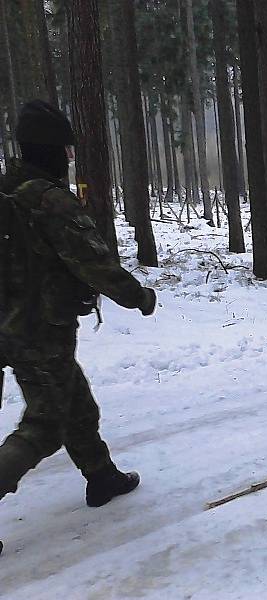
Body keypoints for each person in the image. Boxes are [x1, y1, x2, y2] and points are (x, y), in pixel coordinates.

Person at [0, 100, 157, 513]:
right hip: (39, 329)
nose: (69, 160)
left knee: (75, 401)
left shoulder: (6, 191)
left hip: (9, 328)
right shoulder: (48, 201)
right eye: (66, 152)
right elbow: (95, 264)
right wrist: (138, 297)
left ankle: (101, 475)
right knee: (46, 424)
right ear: (51, 150)